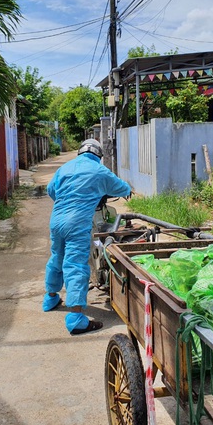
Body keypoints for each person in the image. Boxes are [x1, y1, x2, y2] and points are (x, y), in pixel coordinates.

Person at [43, 138, 131, 335]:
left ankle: (50, 298)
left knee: (57, 257)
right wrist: (128, 191)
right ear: (98, 155)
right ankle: (75, 318)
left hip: (56, 221)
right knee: (75, 265)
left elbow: (51, 190)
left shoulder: (65, 167)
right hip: (77, 223)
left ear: (80, 152)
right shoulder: (99, 171)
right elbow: (120, 186)